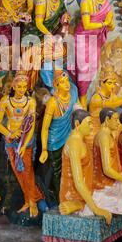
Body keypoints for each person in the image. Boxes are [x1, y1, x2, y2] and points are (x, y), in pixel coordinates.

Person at [0, 71, 43, 218]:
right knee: (18, 171)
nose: (22, 90)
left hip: (26, 140)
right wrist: (9, 133)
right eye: (19, 86)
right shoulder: (5, 101)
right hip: (11, 141)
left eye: (24, 87)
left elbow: (32, 125)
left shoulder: (31, 102)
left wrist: (23, 145)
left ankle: (33, 202)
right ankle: (28, 199)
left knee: (27, 171)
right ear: (14, 87)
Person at [59, 109, 112, 224]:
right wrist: (96, 209)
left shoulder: (81, 141)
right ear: (77, 124)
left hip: (86, 191)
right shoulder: (74, 143)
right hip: (73, 194)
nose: (92, 127)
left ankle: (80, 203)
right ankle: (77, 204)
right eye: (89, 123)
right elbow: (78, 182)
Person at [74, 0, 114, 109]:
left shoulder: (107, 4)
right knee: (83, 69)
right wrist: (104, 23)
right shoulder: (87, 1)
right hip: (83, 38)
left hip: (95, 40)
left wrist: (109, 24)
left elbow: (111, 26)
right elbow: (86, 24)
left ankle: (83, 101)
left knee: (91, 69)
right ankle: (82, 102)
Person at [40, 70, 78, 201]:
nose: (66, 84)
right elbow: (45, 128)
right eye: (62, 82)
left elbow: (77, 107)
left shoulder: (73, 92)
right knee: (57, 172)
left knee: (70, 167)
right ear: (56, 85)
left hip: (70, 135)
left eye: (67, 81)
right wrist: (44, 149)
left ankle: (70, 195)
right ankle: (59, 199)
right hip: (55, 140)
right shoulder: (53, 103)